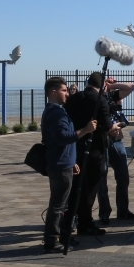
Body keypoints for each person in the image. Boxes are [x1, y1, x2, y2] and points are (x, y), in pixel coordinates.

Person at [65, 72, 134, 236]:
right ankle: (86, 222)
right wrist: (115, 127)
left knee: (77, 187)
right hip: (95, 149)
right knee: (92, 188)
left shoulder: (74, 98)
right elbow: (106, 126)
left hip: (76, 148)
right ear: (102, 85)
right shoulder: (100, 100)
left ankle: (74, 220)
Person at [41, 77, 96, 254]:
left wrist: (72, 161)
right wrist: (86, 130)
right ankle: (51, 240)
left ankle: (60, 236)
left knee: (60, 204)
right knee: (58, 205)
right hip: (60, 165)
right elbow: (63, 138)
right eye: (64, 90)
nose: (68, 94)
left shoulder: (54, 111)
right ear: (53, 92)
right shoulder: (56, 113)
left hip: (63, 162)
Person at [97, 100, 132, 224]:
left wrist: (112, 85)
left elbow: (130, 87)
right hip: (101, 143)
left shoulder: (113, 99)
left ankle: (123, 210)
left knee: (123, 177)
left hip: (117, 142)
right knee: (102, 180)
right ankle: (104, 213)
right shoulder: (97, 101)